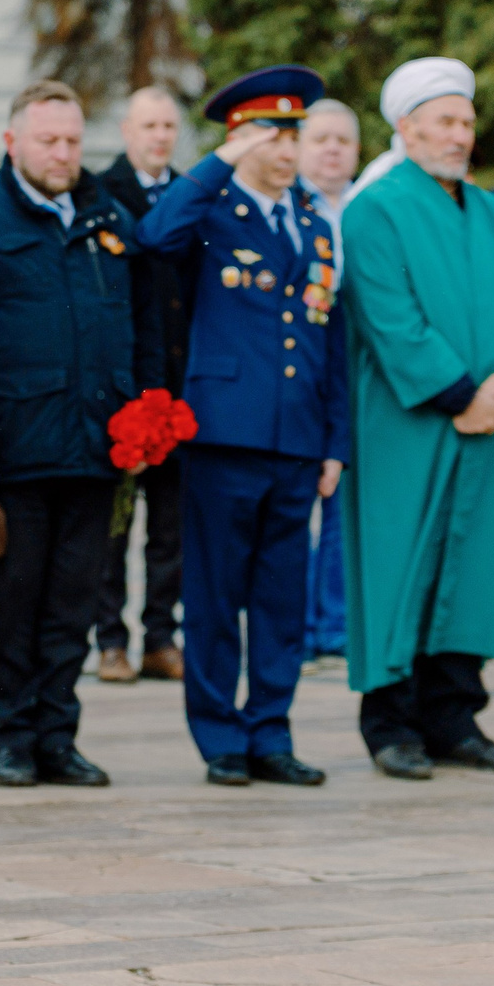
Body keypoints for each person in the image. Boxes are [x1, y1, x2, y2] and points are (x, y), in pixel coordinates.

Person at [0, 79, 154, 788]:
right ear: (12, 142)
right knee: (12, 602)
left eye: (72, 141)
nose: (62, 153)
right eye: (47, 140)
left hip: (94, 448)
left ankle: (58, 734)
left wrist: (138, 419)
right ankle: (13, 736)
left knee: (72, 605)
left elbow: (134, 324)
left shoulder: (109, 218)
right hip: (13, 447)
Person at [341, 59, 494, 779]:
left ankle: (455, 717)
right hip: (410, 424)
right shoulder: (374, 208)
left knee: (473, 569)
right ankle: (392, 722)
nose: (461, 135)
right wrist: (463, 394)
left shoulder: (493, 212)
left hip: (491, 423)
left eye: (467, 122)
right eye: (445, 122)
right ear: (407, 128)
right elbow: (389, 318)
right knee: (401, 563)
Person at [137, 67, 348, 789]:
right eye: (270, 136)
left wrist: (335, 442)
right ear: (239, 140)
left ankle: (270, 730)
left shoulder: (314, 223)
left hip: (297, 439)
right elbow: (155, 234)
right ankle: (220, 734)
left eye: (293, 136)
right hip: (225, 435)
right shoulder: (212, 213)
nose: (287, 150)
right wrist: (220, 161)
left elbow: (330, 336)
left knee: (282, 600)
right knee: (216, 595)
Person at [92, 87, 191, 685]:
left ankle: (160, 635)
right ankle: (110, 639)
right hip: (124, 384)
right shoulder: (102, 194)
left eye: (168, 126)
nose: (160, 137)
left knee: (170, 527)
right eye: (149, 126)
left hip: (177, 387)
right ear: (127, 130)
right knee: (115, 524)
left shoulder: (191, 195)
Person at [297, 98, 360, 659]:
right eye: (321, 139)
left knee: (344, 505)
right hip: (302, 369)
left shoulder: (369, 206)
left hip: (356, 373)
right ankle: (299, 626)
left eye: (343, 140)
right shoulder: (287, 207)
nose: (333, 150)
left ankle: (334, 625)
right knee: (300, 503)